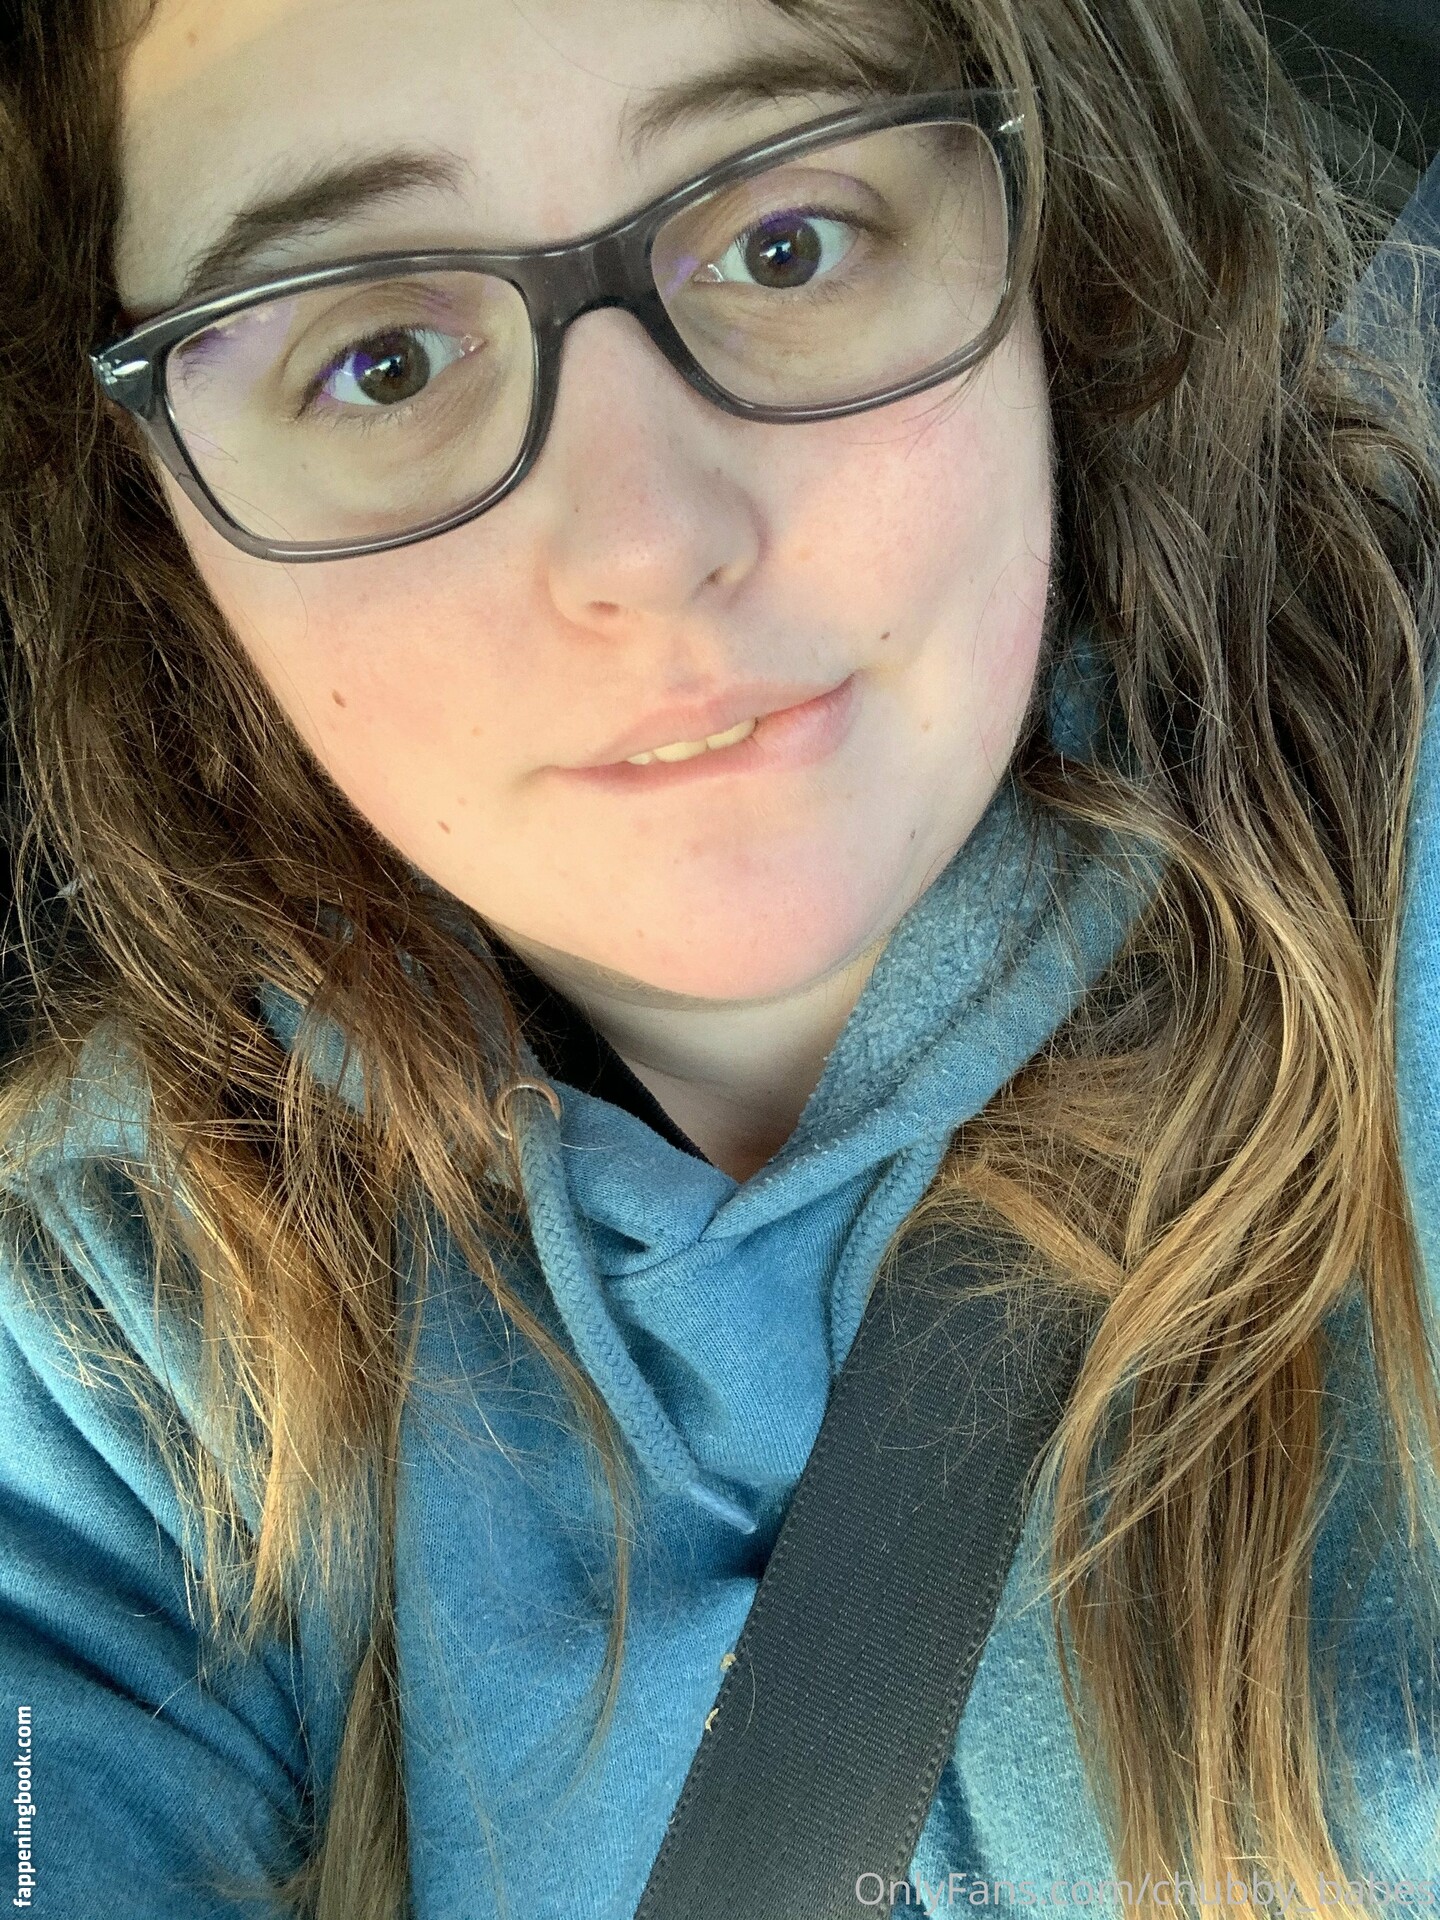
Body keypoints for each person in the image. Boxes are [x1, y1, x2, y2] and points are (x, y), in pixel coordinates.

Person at [0, 0, 1438, 1916]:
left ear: (1052, 240)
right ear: (158, 515)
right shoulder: (107, 1322)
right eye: (379, 360)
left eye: (784, 242)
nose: (649, 541)